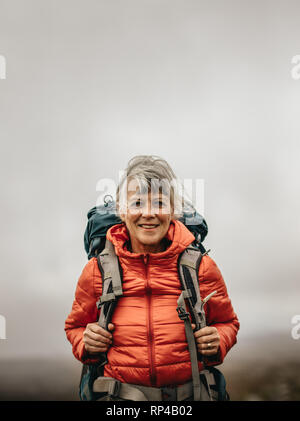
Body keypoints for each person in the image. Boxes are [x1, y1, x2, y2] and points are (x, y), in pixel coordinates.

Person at [65, 155, 239, 400]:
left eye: (159, 203)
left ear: (172, 212)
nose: (148, 214)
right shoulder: (98, 270)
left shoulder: (200, 267)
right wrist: (86, 341)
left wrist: (218, 340)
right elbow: (75, 326)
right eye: (137, 203)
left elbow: (227, 323)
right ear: (122, 211)